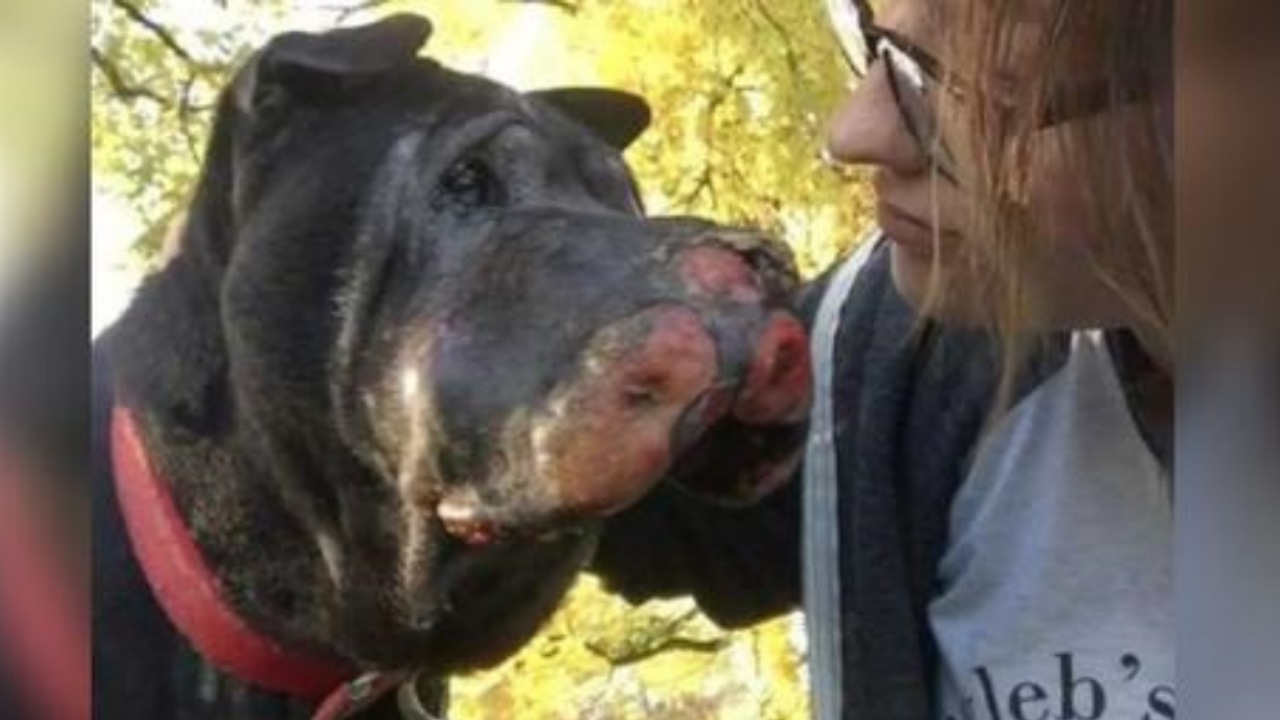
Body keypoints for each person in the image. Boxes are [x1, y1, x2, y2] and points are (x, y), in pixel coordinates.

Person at [590, 0, 1173, 718]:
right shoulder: (907, 350)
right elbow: (645, 511)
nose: (854, 132)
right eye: (876, 38)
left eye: (998, 89)